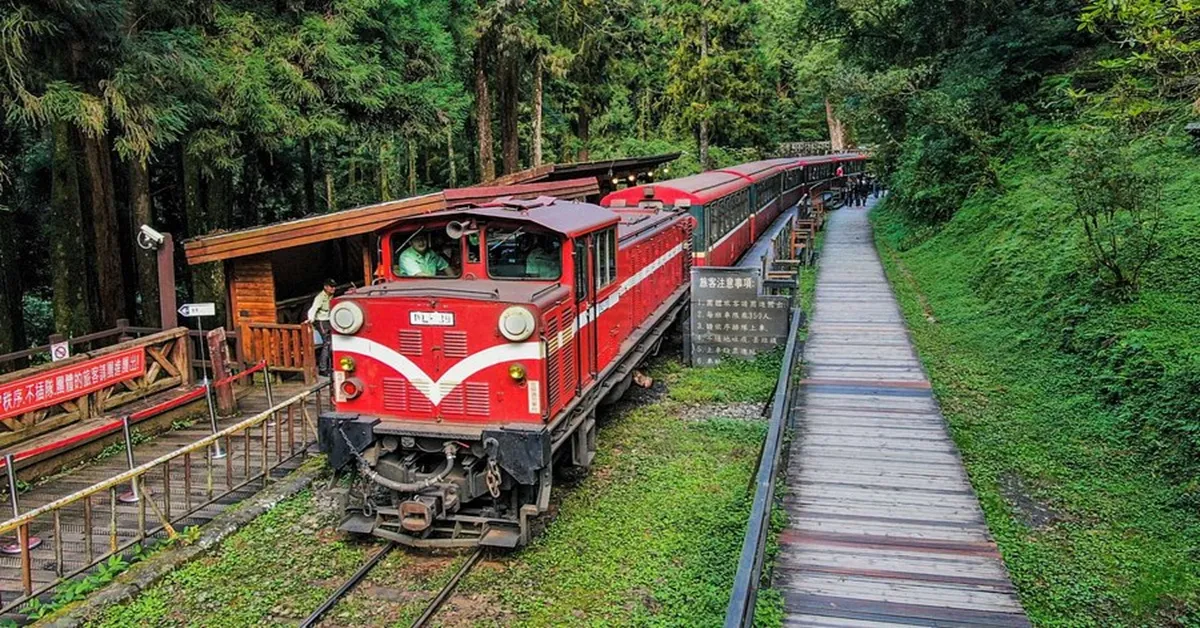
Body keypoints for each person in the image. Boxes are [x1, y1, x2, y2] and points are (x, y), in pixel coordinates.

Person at [307, 279, 336, 377]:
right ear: (326, 287)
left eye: (334, 286)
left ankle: (330, 365)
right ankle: (322, 368)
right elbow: (313, 309)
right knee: (327, 343)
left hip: (328, 320)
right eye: (331, 287)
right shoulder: (320, 297)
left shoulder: (330, 296)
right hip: (321, 321)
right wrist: (310, 320)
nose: (333, 288)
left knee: (331, 343)